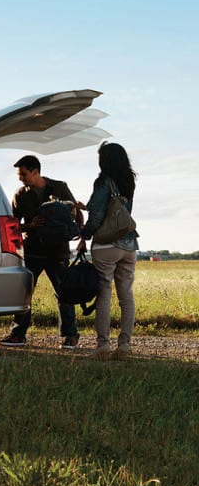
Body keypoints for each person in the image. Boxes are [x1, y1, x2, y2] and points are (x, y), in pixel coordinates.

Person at [0, 155, 83, 349]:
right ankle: (18, 335)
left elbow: (75, 212)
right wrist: (30, 225)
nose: (21, 178)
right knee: (24, 294)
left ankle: (71, 336)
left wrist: (81, 237)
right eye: (20, 175)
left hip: (58, 250)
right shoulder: (19, 195)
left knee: (64, 294)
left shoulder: (60, 187)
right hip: (33, 252)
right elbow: (12, 226)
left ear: (35, 171)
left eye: (23, 174)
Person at [76, 142, 139, 360]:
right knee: (126, 296)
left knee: (104, 294)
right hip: (129, 245)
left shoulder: (103, 181)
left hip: (106, 245)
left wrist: (84, 234)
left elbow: (97, 215)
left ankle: (103, 347)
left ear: (105, 160)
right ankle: (125, 346)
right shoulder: (129, 181)